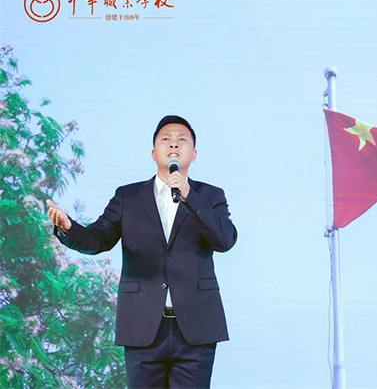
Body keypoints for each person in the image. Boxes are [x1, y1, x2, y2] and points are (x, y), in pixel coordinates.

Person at [46, 115, 237, 388]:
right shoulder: (128, 197)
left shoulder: (210, 196)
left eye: (182, 140)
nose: (174, 145)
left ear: (194, 154)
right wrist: (68, 227)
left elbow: (225, 239)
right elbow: (98, 239)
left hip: (196, 327)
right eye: (166, 139)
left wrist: (190, 197)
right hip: (142, 325)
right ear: (153, 153)